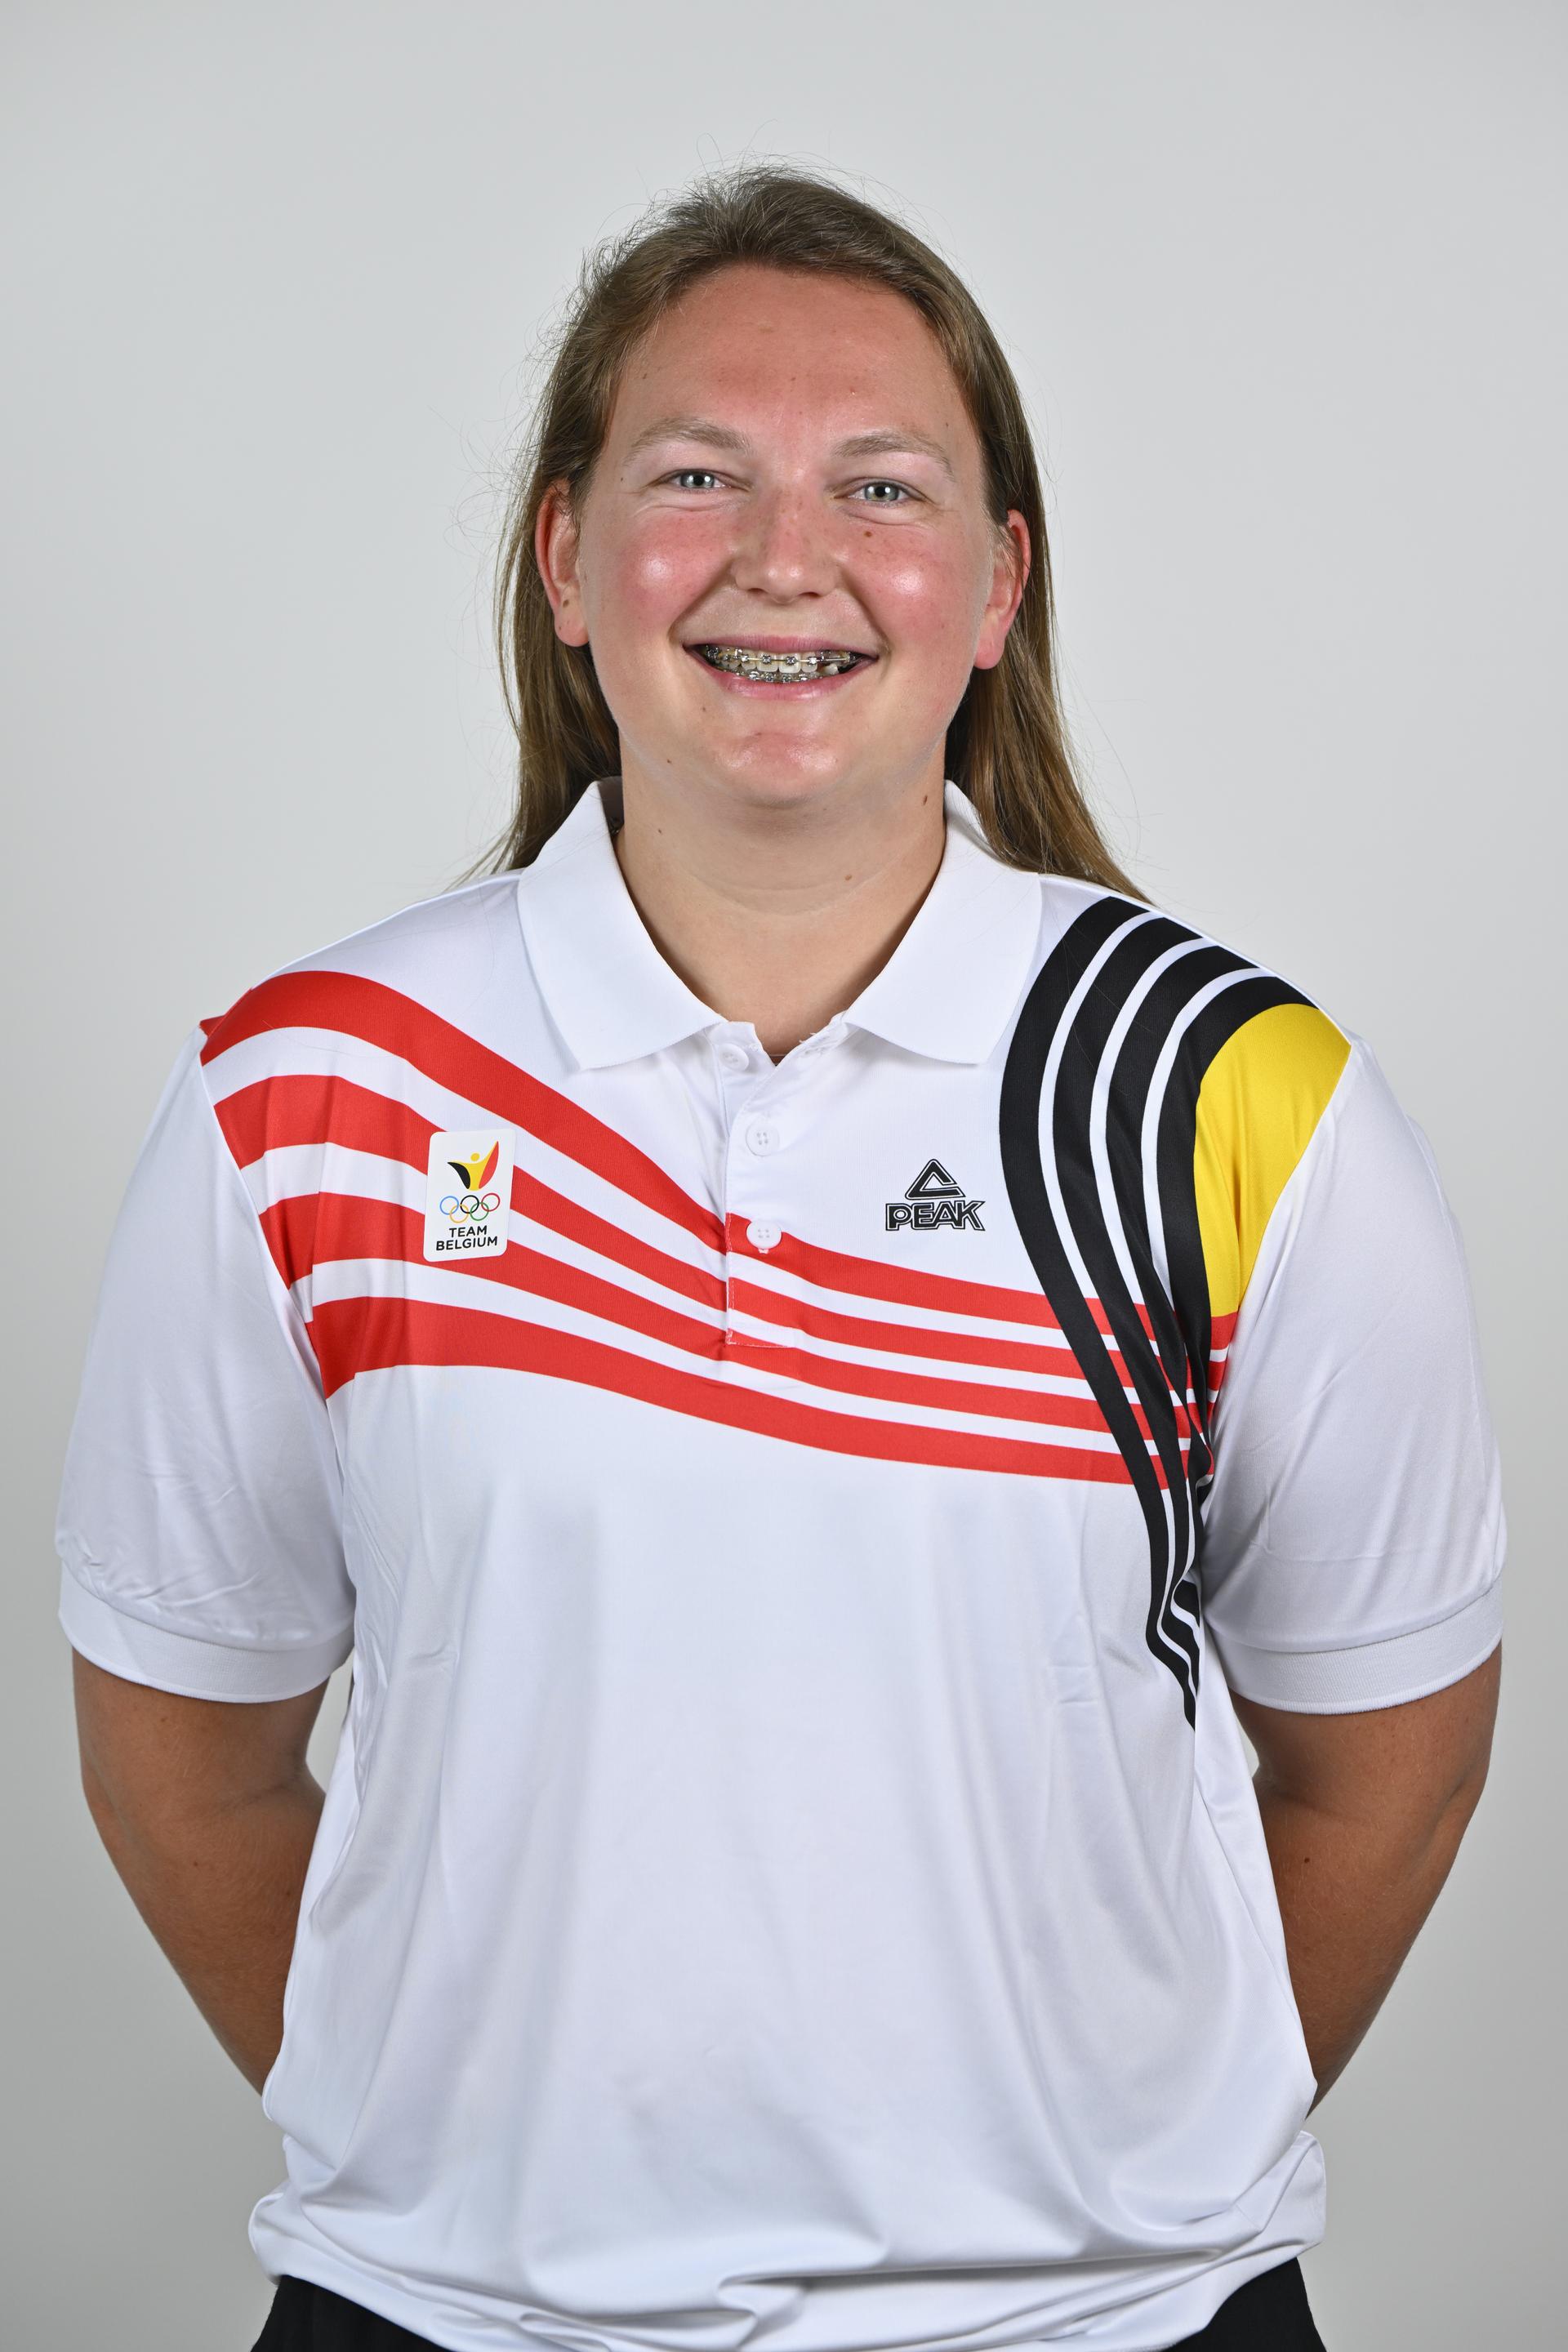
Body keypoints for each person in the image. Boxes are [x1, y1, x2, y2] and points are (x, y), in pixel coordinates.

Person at [57, 164, 1503, 2352]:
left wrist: (1095, 2188)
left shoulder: (1236, 1100)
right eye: (696, 472)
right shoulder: (306, 1091)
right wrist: (460, 2171)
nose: (784, 557)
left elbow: (1387, 1758)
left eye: (882, 483)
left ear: (1000, 580)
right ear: (566, 557)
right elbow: (180, 1750)